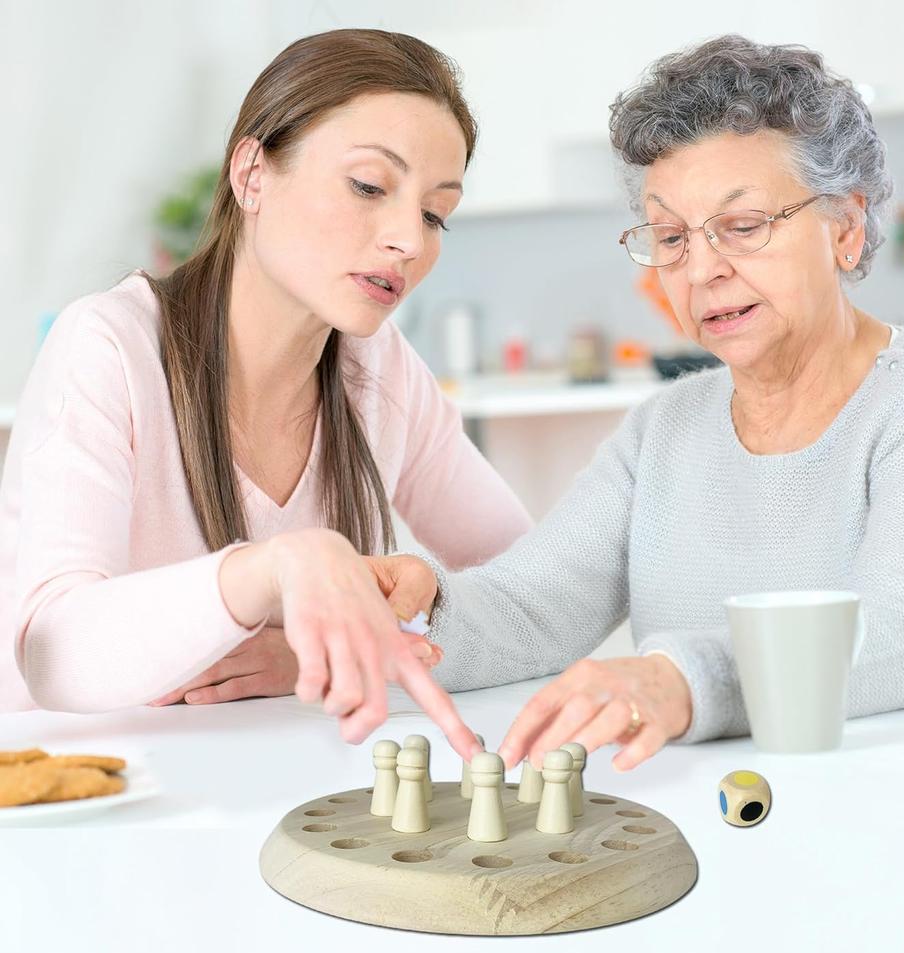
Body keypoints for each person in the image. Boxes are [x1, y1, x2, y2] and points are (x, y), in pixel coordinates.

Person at [368, 35, 904, 771]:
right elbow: (536, 605)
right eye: (672, 236)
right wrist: (420, 608)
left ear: (844, 228)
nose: (703, 269)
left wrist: (685, 678)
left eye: (742, 227)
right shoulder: (665, 429)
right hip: (731, 824)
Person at [0, 29, 533, 761]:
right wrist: (268, 573)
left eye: (436, 212)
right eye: (370, 186)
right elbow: (52, 655)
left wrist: (330, 653)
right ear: (252, 173)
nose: (409, 239)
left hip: (272, 784)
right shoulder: (110, 347)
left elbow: (538, 589)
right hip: (84, 791)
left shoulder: (380, 370)